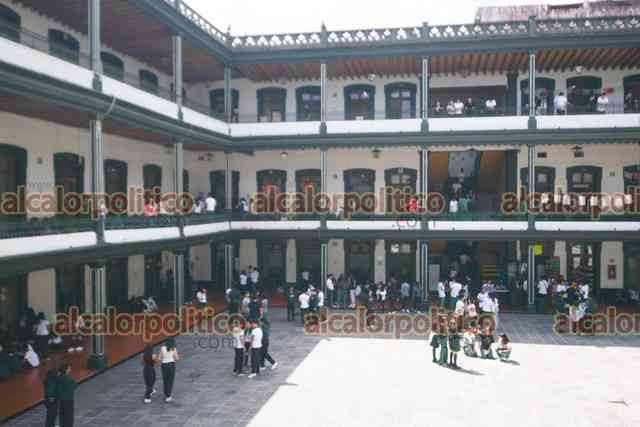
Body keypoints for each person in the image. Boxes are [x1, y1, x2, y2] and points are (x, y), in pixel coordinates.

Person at [158, 338, 179, 402]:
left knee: (165, 380)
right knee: (170, 380)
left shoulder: (162, 348)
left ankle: (166, 394)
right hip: (171, 365)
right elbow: (177, 358)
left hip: (164, 365)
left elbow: (160, 358)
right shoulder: (173, 349)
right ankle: (168, 396)